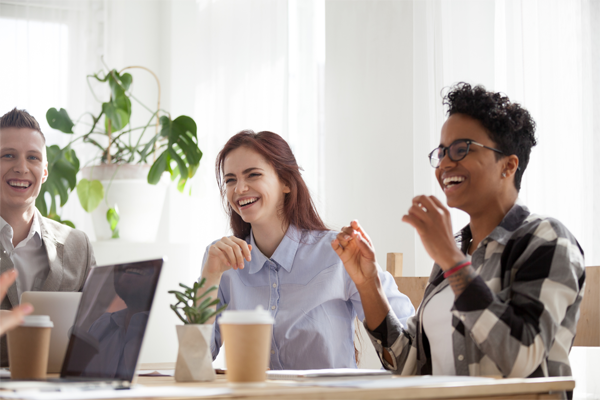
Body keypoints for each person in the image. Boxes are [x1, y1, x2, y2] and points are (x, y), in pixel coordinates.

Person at [333, 83, 584, 389]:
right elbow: (409, 365)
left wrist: (452, 262)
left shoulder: (546, 240)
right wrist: (367, 281)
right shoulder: (454, 249)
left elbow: (521, 359)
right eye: (441, 152)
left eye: (462, 148)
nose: (445, 164)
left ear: (508, 165)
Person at [198, 130, 414, 370]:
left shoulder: (339, 253)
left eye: (253, 175)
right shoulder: (222, 261)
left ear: (287, 183)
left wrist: (369, 282)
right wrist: (210, 278)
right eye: (230, 180)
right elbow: (194, 362)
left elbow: (408, 349)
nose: (239, 189)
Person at [0, 108, 96, 366]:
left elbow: (98, 333)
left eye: (33, 157)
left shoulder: (79, 246)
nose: (21, 168)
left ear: (44, 171)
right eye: (8, 155)